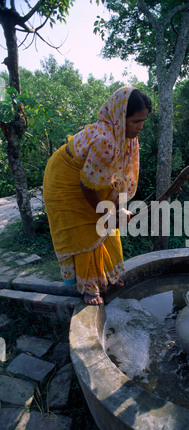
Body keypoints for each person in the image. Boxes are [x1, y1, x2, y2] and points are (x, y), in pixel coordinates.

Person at [43, 86, 151, 305]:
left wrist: (118, 208)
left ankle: (106, 277)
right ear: (121, 117)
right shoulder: (106, 140)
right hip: (66, 179)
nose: (140, 127)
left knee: (107, 225)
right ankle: (89, 288)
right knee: (88, 229)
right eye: (135, 121)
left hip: (89, 179)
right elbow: (87, 187)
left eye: (143, 121)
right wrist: (108, 212)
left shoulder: (126, 136)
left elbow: (118, 178)